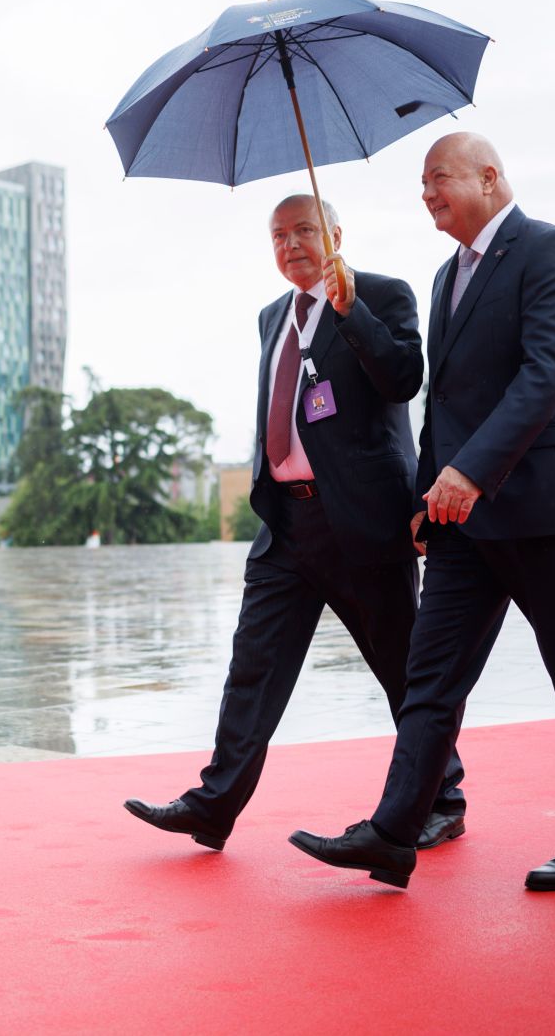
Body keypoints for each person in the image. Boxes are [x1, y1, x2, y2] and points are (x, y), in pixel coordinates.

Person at [290, 133, 555, 891]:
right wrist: (423, 495)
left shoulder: (551, 251)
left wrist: (471, 472)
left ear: (490, 175)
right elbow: (439, 406)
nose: (427, 193)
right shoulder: (446, 277)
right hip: (457, 522)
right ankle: (393, 831)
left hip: (547, 505)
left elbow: (547, 375)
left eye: (437, 177)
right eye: (420, 183)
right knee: (429, 678)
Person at [124, 195, 465, 852]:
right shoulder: (269, 317)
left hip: (363, 522)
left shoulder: (384, 294)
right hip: (285, 523)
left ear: (335, 234)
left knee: (403, 668)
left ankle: (442, 797)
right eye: (278, 236)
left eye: (305, 230)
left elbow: (403, 380)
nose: (291, 245)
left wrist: (349, 311)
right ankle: (214, 803)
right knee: (252, 667)